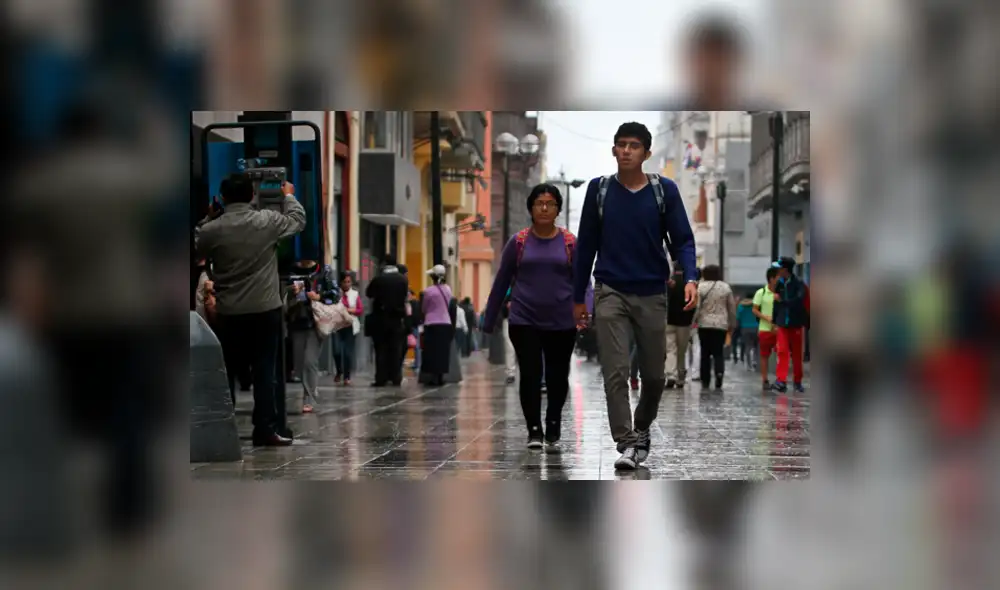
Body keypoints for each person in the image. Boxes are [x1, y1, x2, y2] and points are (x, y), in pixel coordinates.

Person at [572, 122, 698, 471]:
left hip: (652, 292)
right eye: (620, 145)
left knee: (655, 376)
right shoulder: (599, 191)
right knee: (616, 370)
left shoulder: (664, 191)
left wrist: (691, 277)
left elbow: (683, 240)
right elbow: (586, 247)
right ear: (613, 150)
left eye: (633, 145)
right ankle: (626, 443)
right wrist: (578, 297)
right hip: (610, 289)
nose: (626, 150)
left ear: (646, 152)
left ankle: (642, 428)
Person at [195, 174, 305, 446]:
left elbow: (198, 244)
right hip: (265, 309)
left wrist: (209, 218)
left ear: (221, 197)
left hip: (230, 311)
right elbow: (297, 220)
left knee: (228, 369)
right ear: (252, 195)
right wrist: (288, 195)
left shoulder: (212, 229)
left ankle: (222, 430)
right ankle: (265, 430)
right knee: (265, 372)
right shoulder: (266, 221)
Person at [483, 183, 580, 450]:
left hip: (562, 321)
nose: (545, 208)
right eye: (539, 203)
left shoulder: (570, 242)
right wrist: (489, 318)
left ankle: (553, 419)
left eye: (550, 203)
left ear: (558, 209)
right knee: (530, 374)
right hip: (524, 319)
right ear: (531, 208)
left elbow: (582, 281)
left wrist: (585, 308)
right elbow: (501, 281)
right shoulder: (519, 241)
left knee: (558, 377)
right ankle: (534, 430)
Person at [285, 263, 339, 413]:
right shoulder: (291, 272)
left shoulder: (324, 270)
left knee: (310, 361)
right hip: (297, 321)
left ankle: (308, 397)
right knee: (299, 363)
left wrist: (318, 296)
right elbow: (281, 294)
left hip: (317, 322)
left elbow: (335, 294)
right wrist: (292, 291)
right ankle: (311, 389)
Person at [365, 253, 409, 387]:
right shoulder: (402, 280)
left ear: (384, 264)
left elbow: (369, 293)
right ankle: (396, 377)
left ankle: (381, 378)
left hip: (381, 319)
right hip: (396, 319)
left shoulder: (379, 279)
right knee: (395, 349)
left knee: (381, 350)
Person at [694, 265, 737, 390]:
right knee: (718, 352)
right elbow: (731, 307)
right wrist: (732, 324)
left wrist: (693, 321)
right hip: (721, 325)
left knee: (705, 353)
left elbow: (697, 307)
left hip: (704, 324)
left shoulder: (701, 287)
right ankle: (719, 373)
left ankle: (705, 379)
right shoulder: (725, 287)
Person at [771, 257, 809, 393]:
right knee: (782, 351)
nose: (777, 270)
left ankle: (797, 381)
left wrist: (783, 301)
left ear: (785, 269)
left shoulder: (798, 283)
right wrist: (774, 321)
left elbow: (799, 300)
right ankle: (781, 380)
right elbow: (775, 303)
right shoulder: (779, 284)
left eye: (779, 268)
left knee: (797, 354)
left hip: (795, 323)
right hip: (782, 323)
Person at [419, 264, 455, 386]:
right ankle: (440, 376)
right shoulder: (448, 289)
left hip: (431, 323)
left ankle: (432, 377)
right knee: (442, 352)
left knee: (431, 352)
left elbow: (424, 308)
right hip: (445, 323)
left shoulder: (428, 291)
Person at [665, 262, 696, 388]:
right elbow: (694, 304)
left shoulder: (669, 283)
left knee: (670, 349)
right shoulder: (690, 285)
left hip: (669, 320)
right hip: (684, 322)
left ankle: (670, 374)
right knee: (681, 351)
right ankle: (680, 376)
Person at [752, 267, 780, 389]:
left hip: (780, 329)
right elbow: (755, 309)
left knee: (781, 354)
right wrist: (766, 318)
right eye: (778, 278)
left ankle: (780, 379)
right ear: (771, 279)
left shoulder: (781, 293)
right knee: (764, 355)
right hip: (765, 329)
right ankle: (765, 379)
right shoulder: (761, 292)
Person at [334, 272, 363, 385]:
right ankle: (339, 371)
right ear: (340, 282)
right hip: (337, 325)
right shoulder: (336, 294)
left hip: (350, 326)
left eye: (348, 282)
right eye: (344, 282)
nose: (347, 284)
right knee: (337, 351)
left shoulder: (355, 294)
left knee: (347, 352)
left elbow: (360, 310)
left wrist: (350, 310)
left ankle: (347, 376)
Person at [736, 292, 760, 370]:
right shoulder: (755, 306)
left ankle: (748, 365)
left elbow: (738, 318)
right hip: (756, 328)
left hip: (745, 329)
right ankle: (755, 361)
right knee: (756, 346)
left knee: (748, 346)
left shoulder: (740, 306)